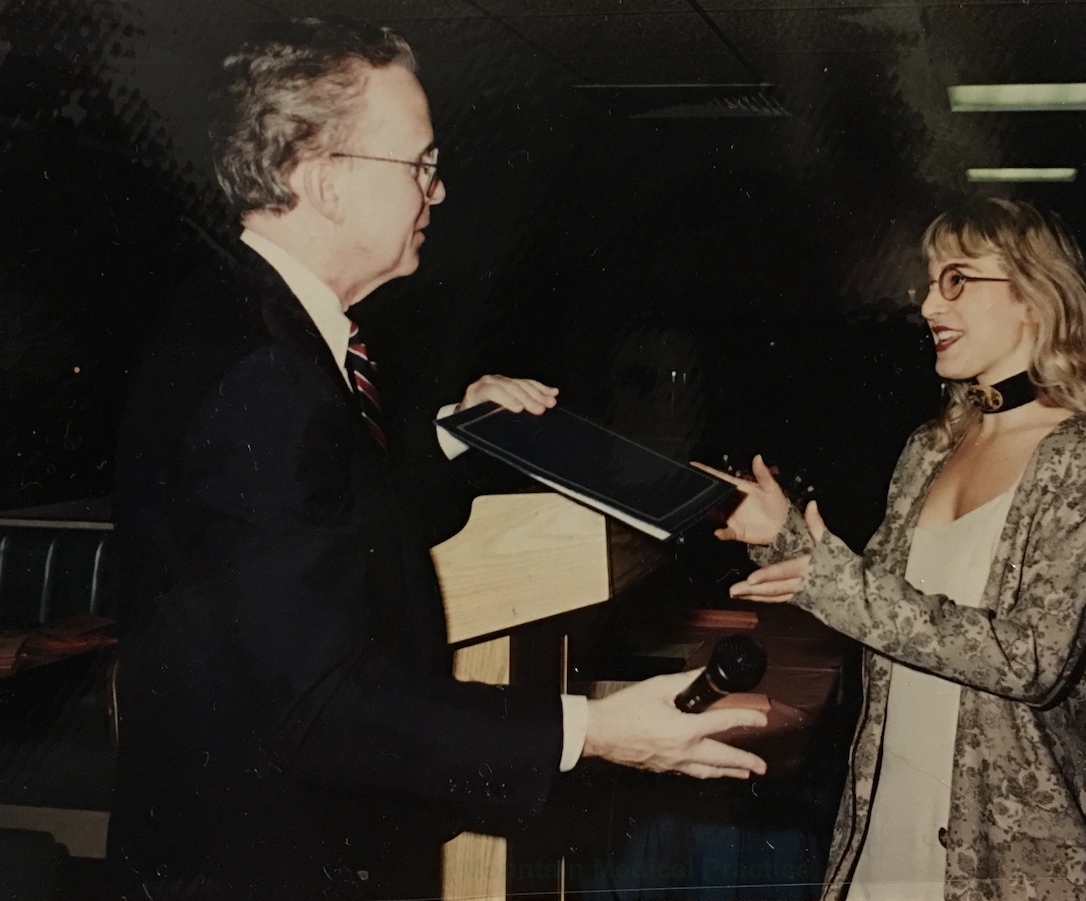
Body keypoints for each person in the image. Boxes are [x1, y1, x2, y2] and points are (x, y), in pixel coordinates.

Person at [108, 18, 767, 900]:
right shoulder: (264, 376)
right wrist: (593, 729)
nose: (439, 189)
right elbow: (320, 706)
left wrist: (454, 431)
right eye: (419, 163)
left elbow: (328, 531)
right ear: (324, 181)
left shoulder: (249, 321)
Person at [695, 198, 1086, 901]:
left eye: (956, 280)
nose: (929, 304)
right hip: (890, 820)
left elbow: (1030, 659)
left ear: (1034, 294)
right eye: (929, 283)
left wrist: (832, 578)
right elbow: (880, 606)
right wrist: (780, 533)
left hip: (1008, 852)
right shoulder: (932, 447)